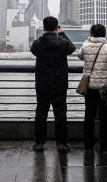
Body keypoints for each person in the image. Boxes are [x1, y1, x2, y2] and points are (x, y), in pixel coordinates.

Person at [31, 16, 76, 153]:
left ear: (43, 27)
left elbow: (33, 51)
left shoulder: (38, 43)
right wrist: (61, 33)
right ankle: (62, 143)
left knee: (41, 113)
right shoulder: (62, 43)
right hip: (59, 83)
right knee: (60, 114)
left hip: (42, 84)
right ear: (56, 27)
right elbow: (72, 48)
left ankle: (39, 143)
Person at [77, 24, 107, 153]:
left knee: (89, 116)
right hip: (105, 89)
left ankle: (88, 145)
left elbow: (80, 56)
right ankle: (105, 146)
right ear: (104, 34)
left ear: (91, 34)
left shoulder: (85, 46)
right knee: (105, 118)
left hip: (90, 88)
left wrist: (88, 40)